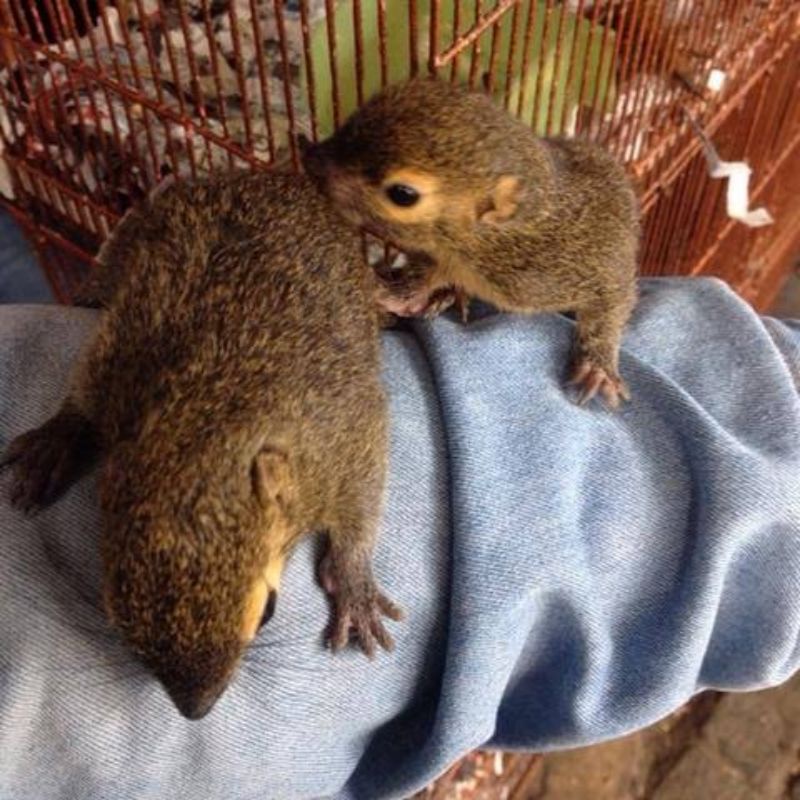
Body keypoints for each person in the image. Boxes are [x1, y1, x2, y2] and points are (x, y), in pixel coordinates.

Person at [0, 228, 799, 798]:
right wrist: (70, 429)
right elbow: (106, 365)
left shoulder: (308, 461)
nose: (199, 707)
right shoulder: (125, 406)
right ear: (113, 480)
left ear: (276, 485)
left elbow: (360, 453)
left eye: (264, 610)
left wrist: (350, 565)